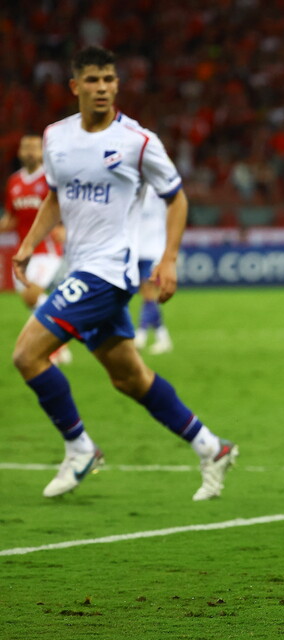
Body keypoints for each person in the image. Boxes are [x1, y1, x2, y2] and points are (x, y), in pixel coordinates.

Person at [10, 45, 238, 500]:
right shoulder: (56, 137)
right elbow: (55, 196)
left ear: (117, 85)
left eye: (109, 80)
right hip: (81, 266)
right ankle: (212, 447)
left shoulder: (138, 141)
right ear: (75, 86)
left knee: (26, 355)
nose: (102, 88)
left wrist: (168, 259)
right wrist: (30, 243)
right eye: (93, 80)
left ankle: (79, 448)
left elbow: (177, 198)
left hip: (108, 273)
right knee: (130, 378)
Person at [1, 134, 72, 365]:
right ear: (19, 152)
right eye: (26, 148)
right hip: (24, 252)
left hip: (47, 249)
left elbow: (68, 207)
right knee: (31, 301)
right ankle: (60, 336)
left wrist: (65, 227)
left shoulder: (50, 179)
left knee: (32, 295)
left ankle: (53, 343)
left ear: (42, 152)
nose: (30, 152)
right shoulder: (14, 182)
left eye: (34, 148)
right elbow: (11, 218)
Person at [134, 185, 173, 354]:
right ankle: (162, 337)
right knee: (146, 295)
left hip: (153, 250)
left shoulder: (158, 189)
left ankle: (141, 334)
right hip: (138, 250)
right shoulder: (137, 186)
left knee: (149, 293)